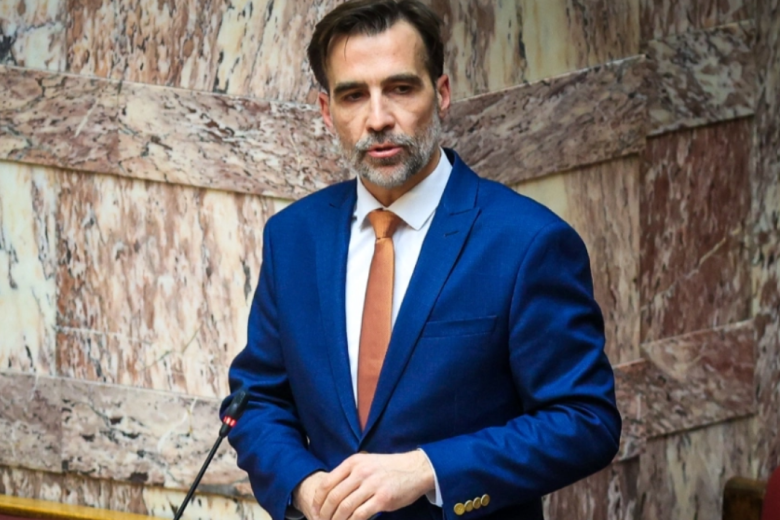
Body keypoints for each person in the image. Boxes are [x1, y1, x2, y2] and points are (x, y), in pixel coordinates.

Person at [223, 1, 621, 519]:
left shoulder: (529, 242)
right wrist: (302, 485)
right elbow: (256, 400)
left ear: (442, 93)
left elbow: (586, 421)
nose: (378, 118)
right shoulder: (293, 237)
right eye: (353, 95)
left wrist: (430, 469)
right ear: (326, 110)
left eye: (401, 88)